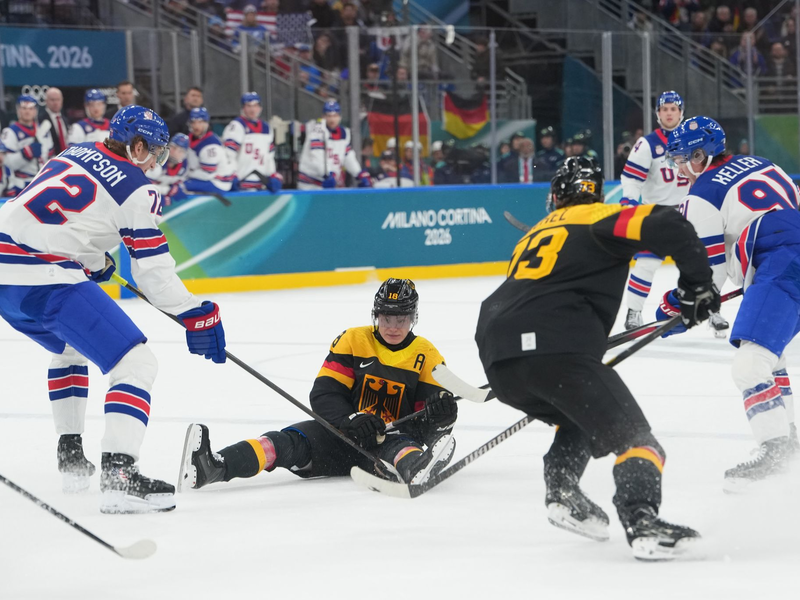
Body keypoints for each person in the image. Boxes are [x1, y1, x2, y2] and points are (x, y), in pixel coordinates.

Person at [474, 156, 718, 560]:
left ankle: (563, 491)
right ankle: (642, 521)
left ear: (555, 196)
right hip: (557, 351)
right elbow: (669, 225)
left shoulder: (533, 233)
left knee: (576, 417)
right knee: (638, 442)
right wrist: (699, 285)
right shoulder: (600, 216)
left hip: (499, 356)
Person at [0, 105, 227, 513]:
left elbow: (46, 215)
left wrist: (87, 257)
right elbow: (154, 275)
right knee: (136, 364)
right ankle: (119, 474)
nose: (157, 161)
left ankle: (70, 452)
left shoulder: (72, 152)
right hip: (42, 275)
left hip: (5, 273)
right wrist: (197, 313)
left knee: (68, 348)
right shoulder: (137, 189)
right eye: (155, 152)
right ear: (137, 146)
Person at [180, 278, 458, 489]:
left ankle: (417, 469)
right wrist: (351, 418)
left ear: (413, 318)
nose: (393, 326)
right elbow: (325, 393)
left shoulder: (427, 355)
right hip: (342, 436)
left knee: (402, 448)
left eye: (401, 319)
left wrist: (442, 414)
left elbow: (428, 429)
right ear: (376, 315)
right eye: (387, 318)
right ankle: (214, 466)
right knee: (283, 442)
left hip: (391, 440)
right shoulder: (353, 340)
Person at [664, 116, 800, 491]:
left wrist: (673, 308)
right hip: (786, 259)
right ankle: (787, 439)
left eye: (681, 160)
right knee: (771, 357)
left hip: (783, 264)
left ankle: (776, 452)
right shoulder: (763, 164)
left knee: (749, 364)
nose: (678, 169)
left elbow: (708, 281)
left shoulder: (702, 194)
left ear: (700, 154)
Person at [619, 91, 728, 336]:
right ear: (658, 114)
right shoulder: (646, 144)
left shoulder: (695, 139)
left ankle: (712, 310)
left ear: (681, 113)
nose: (669, 113)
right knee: (646, 263)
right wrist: (628, 202)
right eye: (665, 109)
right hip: (658, 214)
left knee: (704, 262)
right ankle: (633, 312)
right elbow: (631, 179)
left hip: (693, 208)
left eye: (674, 109)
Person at [297, 100, 371, 190]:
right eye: (329, 116)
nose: (332, 119)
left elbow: (348, 156)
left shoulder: (344, 133)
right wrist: (329, 174)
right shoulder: (317, 131)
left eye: (335, 116)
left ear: (339, 117)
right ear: (323, 117)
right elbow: (317, 157)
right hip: (310, 183)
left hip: (330, 181)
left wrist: (359, 173)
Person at [222, 92, 282, 192]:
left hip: (261, 185)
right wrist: (231, 174)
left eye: (255, 106)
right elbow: (228, 155)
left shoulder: (267, 128)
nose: (252, 109)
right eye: (248, 106)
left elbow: (269, 157)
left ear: (260, 108)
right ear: (243, 108)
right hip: (241, 183)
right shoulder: (236, 126)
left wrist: (272, 174)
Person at [1, 95, 54, 191]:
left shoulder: (44, 130)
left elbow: (51, 157)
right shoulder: (10, 132)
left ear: (35, 111)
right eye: (24, 108)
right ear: (18, 110)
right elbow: (6, 164)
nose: (27, 111)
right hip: (21, 185)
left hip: (43, 182)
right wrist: (25, 153)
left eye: (31, 108)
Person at [186, 107, 236, 193]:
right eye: (194, 122)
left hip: (219, 183)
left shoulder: (211, 144)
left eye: (200, 122)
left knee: (181, 186)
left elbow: (208, 174)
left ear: (207, 124)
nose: (196, 126)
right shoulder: (190, 138)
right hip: (205, 177)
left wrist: (187, 173)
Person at [147, 132, 190, 205]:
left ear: (185, 154)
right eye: (173, 147)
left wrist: (174, 188)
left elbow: (178, 185)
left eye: (180, 151)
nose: (175, 152)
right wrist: (166, 190)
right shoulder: (156, 162)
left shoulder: (184, 166)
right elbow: (143, 186)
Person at [39, 87, 70, 155]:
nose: (56, 103)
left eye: (58, 99)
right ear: (46, 101)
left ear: (62, 100)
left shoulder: (65, 119)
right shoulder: (40, 119)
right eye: (52, 100)